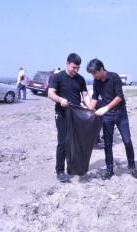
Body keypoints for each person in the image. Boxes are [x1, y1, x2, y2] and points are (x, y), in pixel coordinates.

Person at [87, 58, 137, 180]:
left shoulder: (114, 77)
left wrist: (106, 107)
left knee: (127, 140)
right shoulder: (96, 81)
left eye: (94, 73)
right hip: (107, 116)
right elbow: (94, 97)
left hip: (120, 113)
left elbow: (120, 96)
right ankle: (109, 170)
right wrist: (89, 112)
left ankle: (132, 166)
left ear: (101, 69)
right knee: (108, 143)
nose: (93, 76)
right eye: (91, 74)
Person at [48, 53, 92, 182]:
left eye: (78, 68)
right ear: (67, 64)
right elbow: (50, 93)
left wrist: (90, 108)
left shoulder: (80, 79)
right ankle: (60, 170)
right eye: (74, 67)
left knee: (73, 141)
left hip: (75, 115)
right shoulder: (58, 77)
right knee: (63, 141)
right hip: (61, 114)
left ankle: (71, 167)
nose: (76, 70)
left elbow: (85, 95)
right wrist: (60, 99)